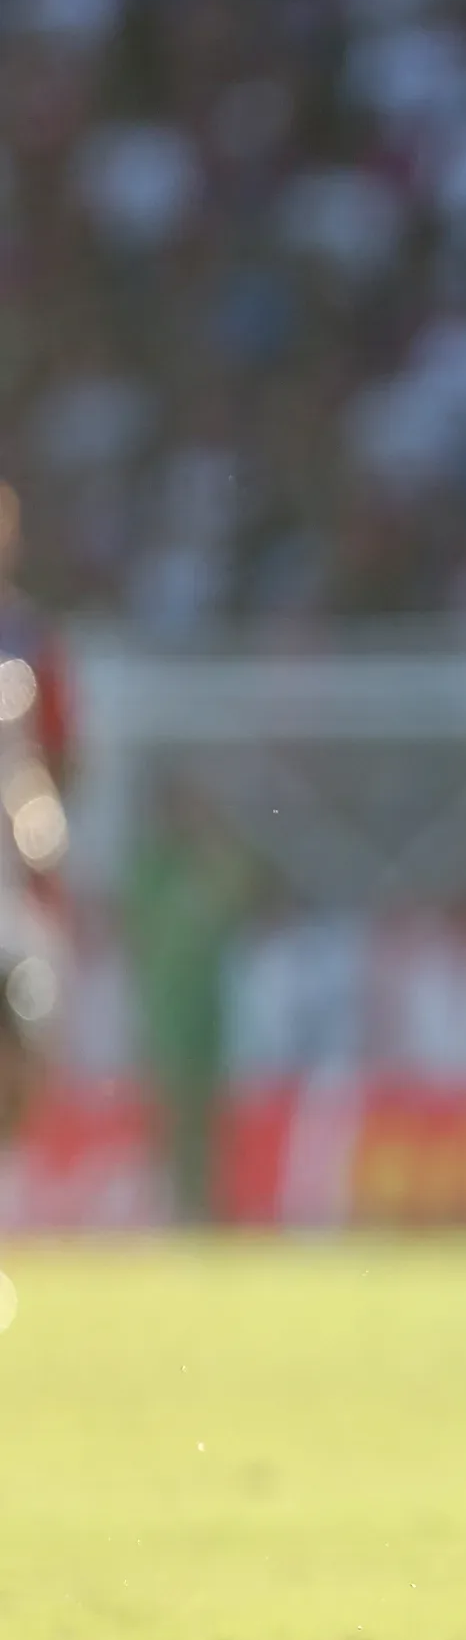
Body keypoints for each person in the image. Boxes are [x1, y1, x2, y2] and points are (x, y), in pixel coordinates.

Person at [0, 482, 71, 1145]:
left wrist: (40, 834)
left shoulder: (29, 639)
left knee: (29, 1030)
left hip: (12, 884)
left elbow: (60, 757)